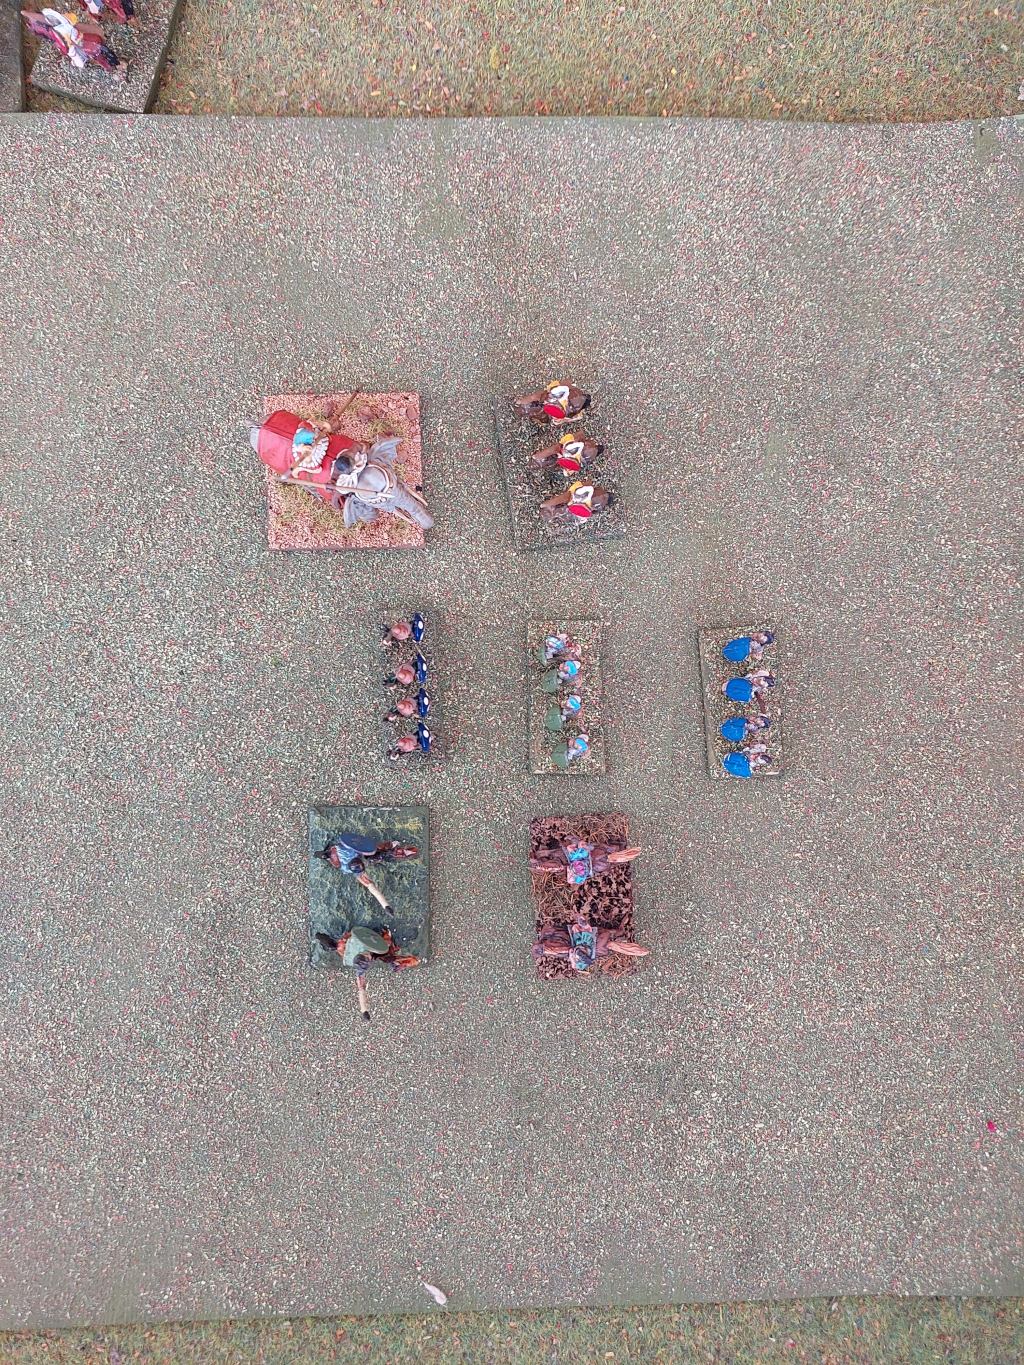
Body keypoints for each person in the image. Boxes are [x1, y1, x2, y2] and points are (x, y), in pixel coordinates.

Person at [315, 926, 420, 1021]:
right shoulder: (359, 967)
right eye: (368, 959)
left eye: (367, 957)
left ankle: (321, 937)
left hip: (362, 942)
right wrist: (364, 1010)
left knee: (388, 953)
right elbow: (361, 989)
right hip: (357, 948)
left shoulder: (356, 946)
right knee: (338, 947)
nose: (368, 958)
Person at [315, 835, 419, 912]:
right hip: (341, 854)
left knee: (377, 851)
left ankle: (397, 850)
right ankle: (396, 852)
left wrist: (390, 845)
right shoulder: (351, 869)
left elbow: (371, 846)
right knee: (376, 857)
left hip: (354, 850)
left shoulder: (347, 851)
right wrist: (386, 905)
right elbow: (371, 887)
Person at [532, 921, 649, 972]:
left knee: (603, 936)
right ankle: (629, 946)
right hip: (585, 948)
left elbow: (567, 941)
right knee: (606, 943)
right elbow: (568, 952)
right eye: (544, 949)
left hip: (580, 940)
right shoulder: (553, 950)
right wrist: (575, 954)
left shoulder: (549, 936)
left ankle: (619, 934)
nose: (548, 948)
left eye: (544, 947)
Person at [530, 838, 641, 885]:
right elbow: (575, 878)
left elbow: (574, 848)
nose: (548, 868)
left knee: (595, 855)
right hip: (584, 864)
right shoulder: (571, 873)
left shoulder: (565, 856)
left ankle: (617, 851)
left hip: (582, 859)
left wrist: (578, 848)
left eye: (545, 866)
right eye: (546, 869)